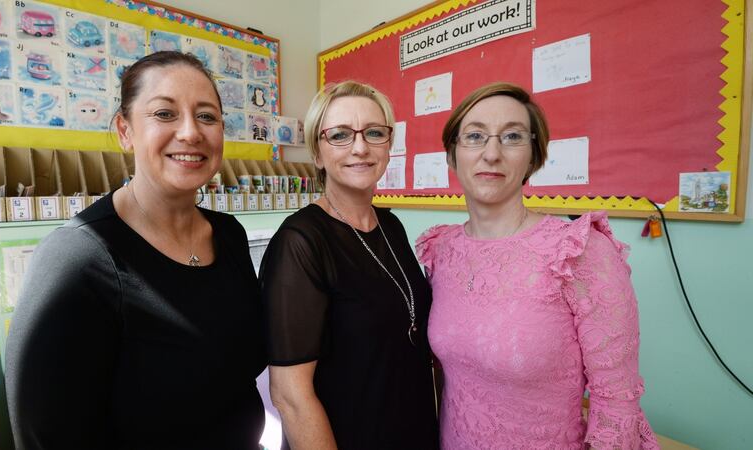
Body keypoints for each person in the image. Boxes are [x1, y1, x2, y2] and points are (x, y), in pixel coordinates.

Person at [5, 51, 266, 449]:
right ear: (125, 130)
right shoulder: (77, 259)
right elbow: (44, 435)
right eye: (164, 114)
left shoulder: (228, 234)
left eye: (207, 116)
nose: (191, 132)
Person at [415, 82, 659, 450]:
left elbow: (616, 404)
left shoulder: (579, 252)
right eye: (475, 136)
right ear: (452, 156)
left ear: (533, 157)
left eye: (512, 136)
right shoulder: (442, 249)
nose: (491, 153)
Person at [260, 81, 439, 450]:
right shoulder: (300, 241)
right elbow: (290, 396)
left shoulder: (390, 225)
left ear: (389, 146)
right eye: (340, 135)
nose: (360, 147)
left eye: (374, 133)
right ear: (318, 154)